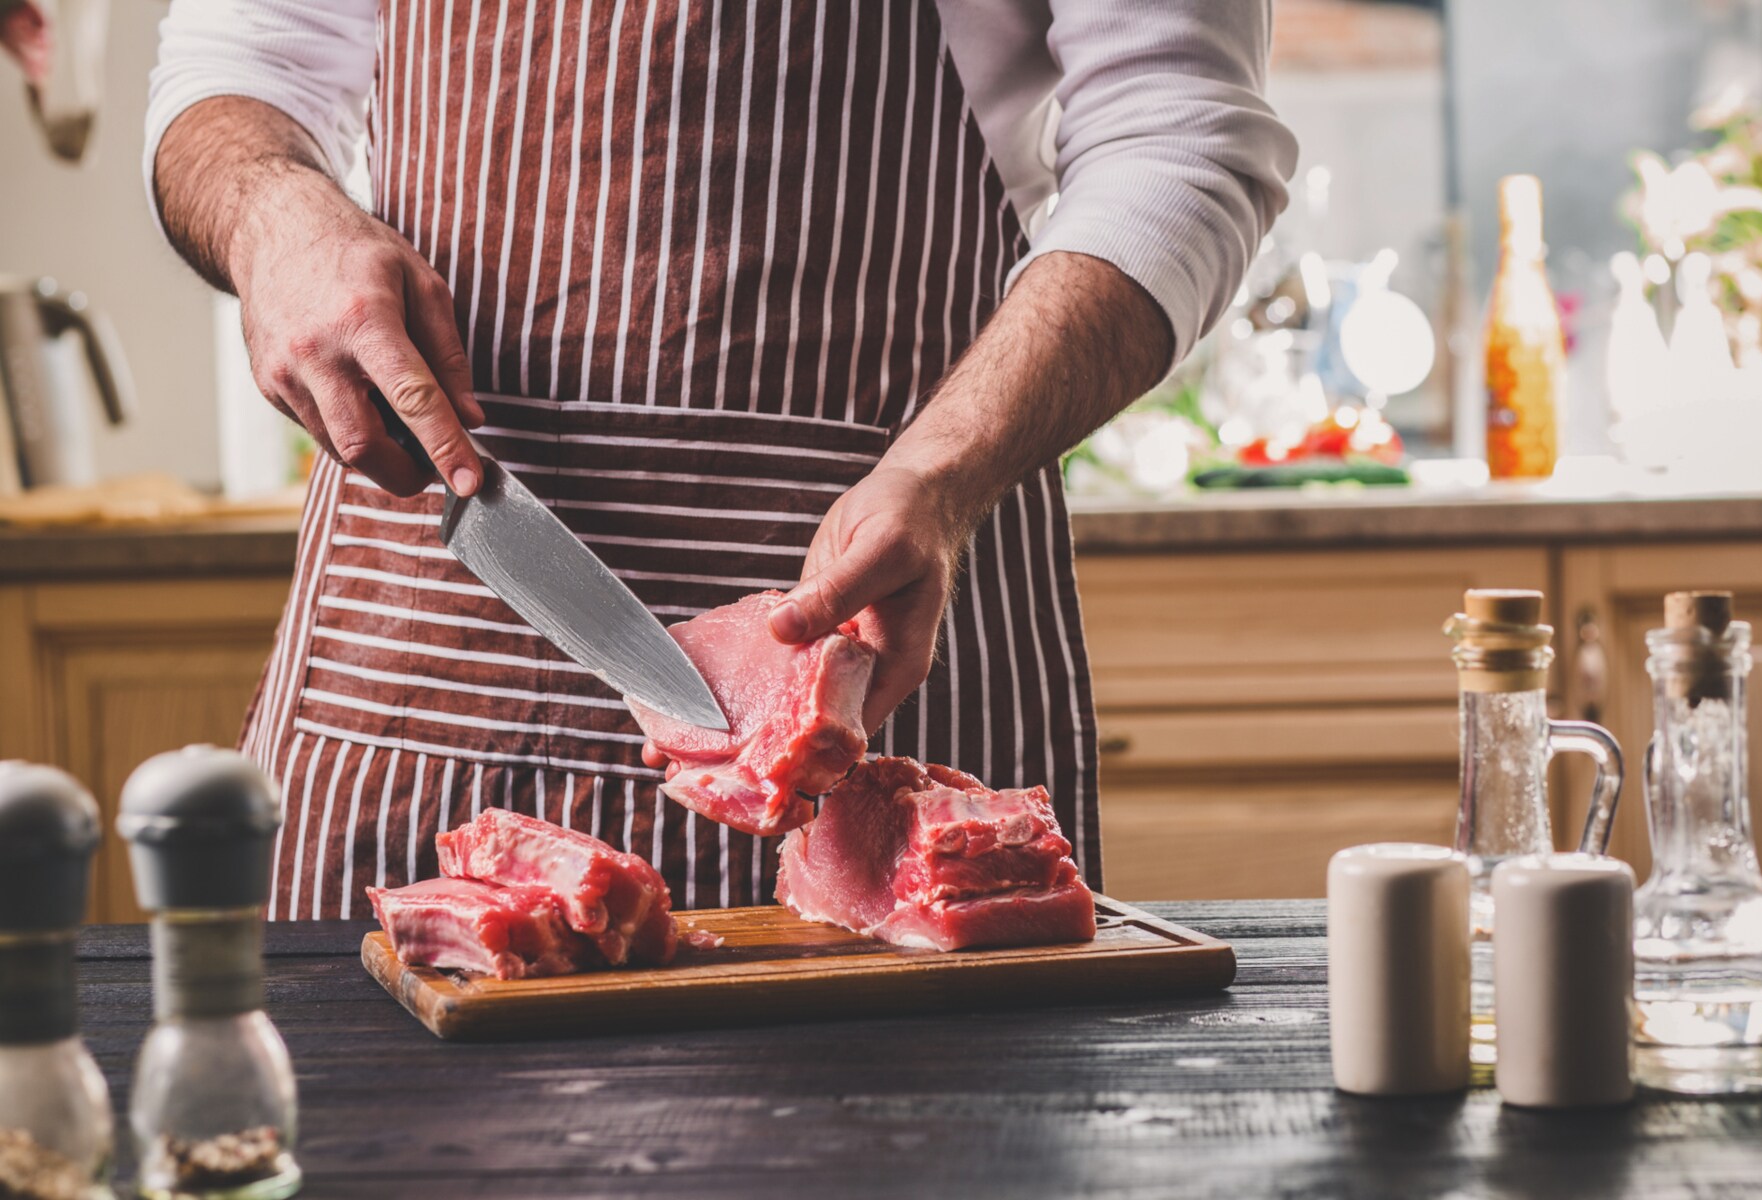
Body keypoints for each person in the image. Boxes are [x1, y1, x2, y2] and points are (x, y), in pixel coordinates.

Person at [145, 0, 1296, 918]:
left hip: (880, 631)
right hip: (434, 619)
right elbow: (240, 60)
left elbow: (1179, 134)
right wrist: (273, 218)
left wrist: (942, 472)